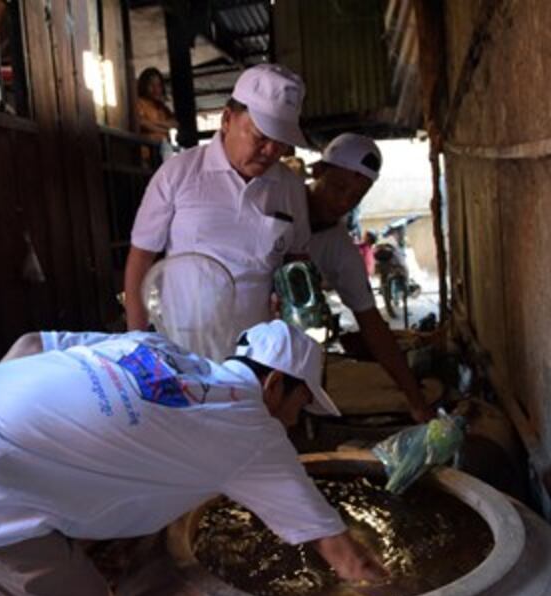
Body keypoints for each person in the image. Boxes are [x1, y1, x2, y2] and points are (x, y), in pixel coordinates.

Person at [0, 321, 387, 596]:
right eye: (299, 408)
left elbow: (30, 345)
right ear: (275, 385)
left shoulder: (154, 346)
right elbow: (340, 552)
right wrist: (389, 586)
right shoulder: (253, 430)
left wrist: (14, 437)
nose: (291, 425)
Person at [125, 64, 311, 341]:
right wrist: (137, 342)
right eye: (261, 137)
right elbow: (141, 258)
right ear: (227, 119)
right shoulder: (179, 173)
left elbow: (296, 261)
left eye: (281, 142)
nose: (271, 151)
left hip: (255, 350)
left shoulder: (290, 187)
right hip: (183, 346)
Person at [307, 133, 434, 422]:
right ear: (318, 172)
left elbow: (372, 325)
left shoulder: (340, 251)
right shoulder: (273, 201)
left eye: (355, 196)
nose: (343, 202)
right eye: (337, 187)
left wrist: (415, 400)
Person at [135, 67, 178, 162]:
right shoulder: (139, 103)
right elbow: (142, 123)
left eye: (158, 85)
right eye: (151, 85)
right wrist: (165, 128)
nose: (156, 89)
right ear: (143, 85)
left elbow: (175, 124)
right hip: (147, 154)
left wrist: (152, 123)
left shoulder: (162, 107)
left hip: (163, 152)